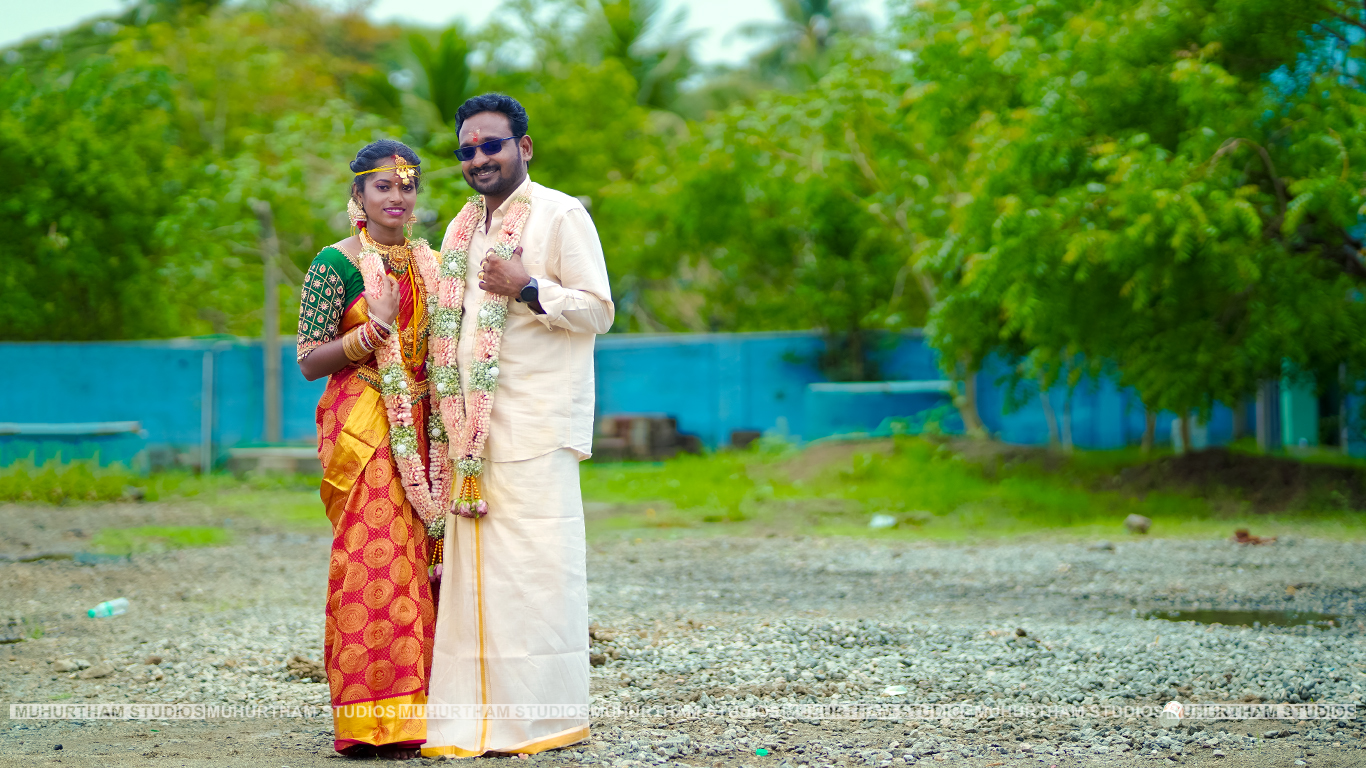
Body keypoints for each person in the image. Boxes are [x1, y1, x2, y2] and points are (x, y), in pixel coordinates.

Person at [421, 93, 615, 758]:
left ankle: (541, 722)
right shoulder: (459, 229)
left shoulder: (562, 214)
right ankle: (472, 721)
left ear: (523, 148)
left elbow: (598, 311)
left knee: (537, 576)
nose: (479, 158)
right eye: (468, 149)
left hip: (535, 426)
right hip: (470, 438)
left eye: (492, 145)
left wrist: (528, 287)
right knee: (477, 578)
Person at [296, 139, 440, 759]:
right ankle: (365, 718)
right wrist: (373, 330)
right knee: (375, 560)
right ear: (358, 195)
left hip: (429, 424)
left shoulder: (432, 263)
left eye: (407, 185)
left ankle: (419, 715)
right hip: (363, 425)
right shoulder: (335, 264)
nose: (397, 196)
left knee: (427, 564)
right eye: (383, 185)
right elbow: (308, 361)